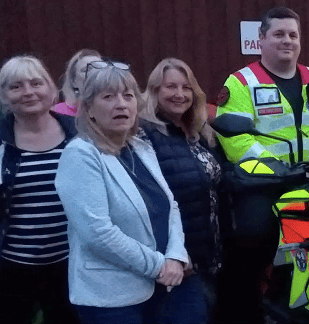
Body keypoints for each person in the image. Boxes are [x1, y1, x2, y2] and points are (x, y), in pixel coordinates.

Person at [54, 62, 193, 323]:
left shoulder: (140, 147)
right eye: (108, 97)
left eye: (128, 96)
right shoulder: (80, 154)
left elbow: (170, 205)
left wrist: (176, 255)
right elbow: (98, 232)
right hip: (112, 297)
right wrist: (159, 265)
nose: (121, 104)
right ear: (89, 109)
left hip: (164, 285)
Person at [215, 7, 309, 323]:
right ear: (261, 39)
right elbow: (235, 141)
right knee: (253, 235)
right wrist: (278, 171)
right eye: (278, 34)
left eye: (293, 35)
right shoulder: (241, 82)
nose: (287, 41)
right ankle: (242, 309)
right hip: (264, 182)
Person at [140, 57, 224, 322]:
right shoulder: (145, 136)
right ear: (154, 92)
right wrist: (172, 254)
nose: (179, 94)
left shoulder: (201, 134)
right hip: (178, 261)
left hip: (211, 254)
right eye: (170, 87)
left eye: (186, 87)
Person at [0, 55, 80, 324]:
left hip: (70, 262)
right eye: (16, 86)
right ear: (4, 95)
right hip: (13, 266)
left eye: (36, 83)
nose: (28, 92)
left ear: (51, 89)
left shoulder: (77, 134)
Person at [54, 49, 102, 116]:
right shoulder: (57, 112)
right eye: (86, 70)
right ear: (73, 81)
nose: (93, 73)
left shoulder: (115, 108)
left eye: (98, 68)